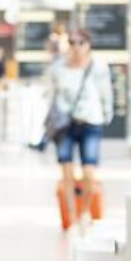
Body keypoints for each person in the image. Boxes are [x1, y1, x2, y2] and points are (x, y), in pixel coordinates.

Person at [46, 29, 113, 231]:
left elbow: (106, 93)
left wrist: (106, 115)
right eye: (72, 42)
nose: (76, 47)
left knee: (88, 172)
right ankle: (72, 218)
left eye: (81, 42)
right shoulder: (57, 68)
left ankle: (84, 212)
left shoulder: (98, 67)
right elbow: (52, 95)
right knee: (66, 172)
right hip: (66, 124)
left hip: (91, 122)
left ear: (89, 45)